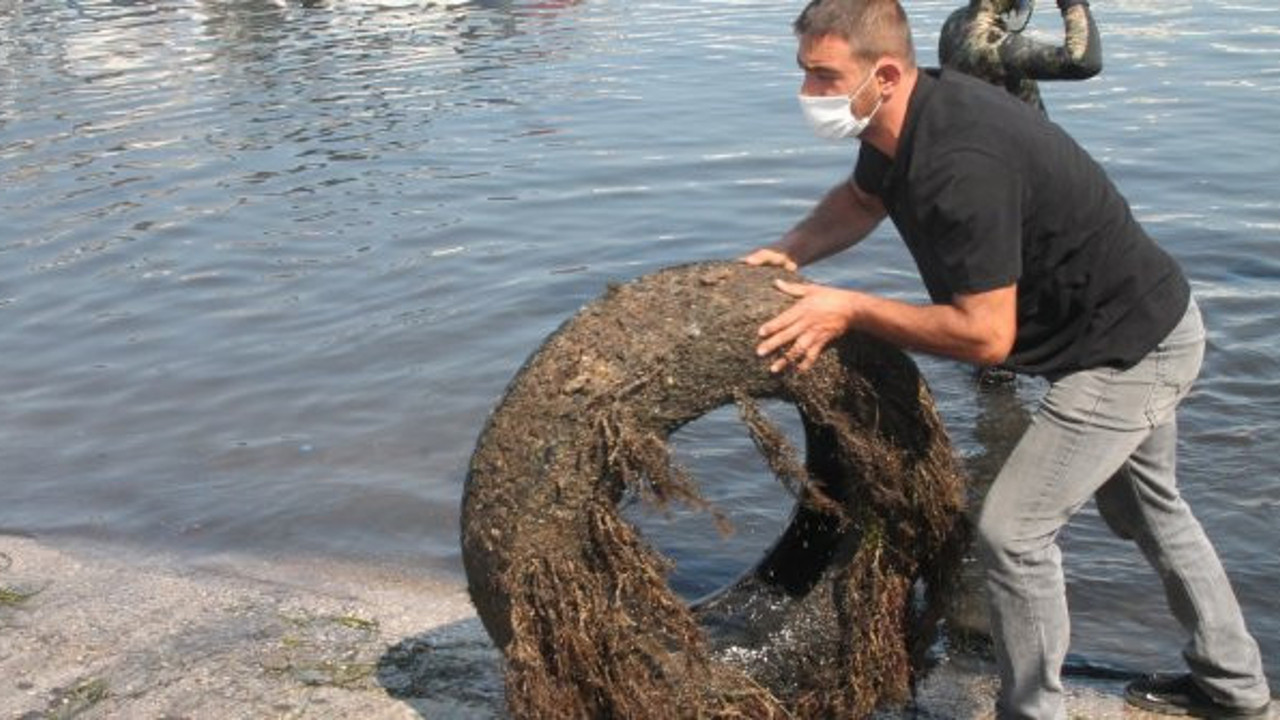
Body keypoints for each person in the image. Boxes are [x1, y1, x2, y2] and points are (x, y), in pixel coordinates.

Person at [742, 0, 1273, 717]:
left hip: (1126, 352)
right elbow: (862, 200)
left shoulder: (961, 164)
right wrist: (795, 249)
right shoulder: (905, 120)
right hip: (1132, 323)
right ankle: (1238, 691)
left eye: (824, 77)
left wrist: (851, 307)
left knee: (1012, 532)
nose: (810, 95)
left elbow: (983, 337)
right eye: (805, 74)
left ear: (887, 73)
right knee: (1151, 513)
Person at [938, 0, 1102, 113]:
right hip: (1012, 155)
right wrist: (1073, 4)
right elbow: (1083, 61)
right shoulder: (988, 44)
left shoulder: (955, 24)